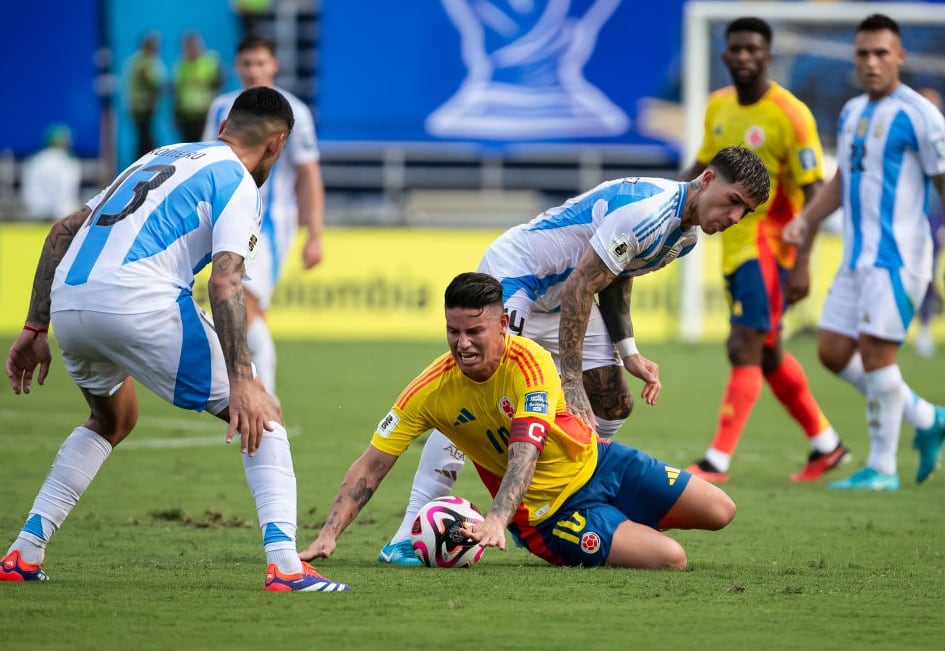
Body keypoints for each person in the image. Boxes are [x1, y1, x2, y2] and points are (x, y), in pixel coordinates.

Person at [1, 87, 348, 592]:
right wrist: (244, 380)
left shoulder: (163, 155)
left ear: (225, 121)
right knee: (263, 417)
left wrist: (35, 328)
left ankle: (24, 552)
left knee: (112, 419)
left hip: (72, 301)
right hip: (137, 302)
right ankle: (286, 567)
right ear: (276, 146)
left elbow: (61, 231)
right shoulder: (238, 180)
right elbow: (226, 280)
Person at [377, 145, 771, 565]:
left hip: (562, 299)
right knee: (477, 392)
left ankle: (575, 493)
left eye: (744, 212)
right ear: (708, 180)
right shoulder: (649, 212)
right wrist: (569, 380)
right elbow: (581, 285)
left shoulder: (685, 237)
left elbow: (616, 278)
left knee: (614, 404)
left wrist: (629, 352)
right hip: (520, 276)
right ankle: (407, 534)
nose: (733, 218)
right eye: (733, 202)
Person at [300, 272, 737, 570]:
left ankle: (620, 526)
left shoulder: (530, 361)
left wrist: (494, 517)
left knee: (722, 511)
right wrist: (329, 534)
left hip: (602, 463)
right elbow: (372, 464)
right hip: (549, 516)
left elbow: (524, 449)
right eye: (453, 331)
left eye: (475, 331)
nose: (463, 343)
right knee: (672, 559)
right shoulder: (430, 390)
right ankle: (615, 531)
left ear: (504, 323)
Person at [679, 16, 849, 484]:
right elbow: (703, 165)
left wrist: (803, 264)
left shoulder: (790, 114)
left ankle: (717, 461)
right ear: (725, 55)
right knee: (768, 353)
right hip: (732, 245)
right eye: (737, 48)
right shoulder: (718, 107)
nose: (745, 56)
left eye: (754, 48)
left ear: (769, 54)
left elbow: (815, 192)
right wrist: (668, 200)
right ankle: (827, 445)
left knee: (744, 345)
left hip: (772, 252)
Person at [783, 14, 945, 490]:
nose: (872, 62)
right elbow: (842, 180)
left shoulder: (921, 115)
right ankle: (926, 417)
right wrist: (808, 218)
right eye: (863, 53)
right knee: (832, 351)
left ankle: (883, 468)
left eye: (881, 53)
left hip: (900, 258)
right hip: (856, 257)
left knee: (877, 355)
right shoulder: (853, 111)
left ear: (900, 56)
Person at [203, 35, 325, 395]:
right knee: (245, 304)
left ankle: (264, 402)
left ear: (274, 65)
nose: (254, 70)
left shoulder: (295, 112)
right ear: (236, 67)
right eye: (247, 63)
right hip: (227, 214)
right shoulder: (221, 107)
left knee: (245, 301)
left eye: (260, 63)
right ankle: (257, 390)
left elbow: (308, 174)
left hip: (269, 225)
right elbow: (210, 158)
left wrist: (314, 234)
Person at [914, 87, 945, 358]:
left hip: (934, 217)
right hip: (909, 217)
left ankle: (925, 328)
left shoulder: (940, 140)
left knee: (930, 273)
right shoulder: (907, 138)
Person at [20, 123, 82, 221]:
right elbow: (67, 190)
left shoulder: (35, 160)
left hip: (39, 213)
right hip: (63, 216)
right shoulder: (70, 162)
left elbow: (29, 191)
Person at [173, 32, 224, 142]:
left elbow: (220, 84)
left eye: (195, 45)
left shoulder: (210, 62)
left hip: (206, 116)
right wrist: (176, 115)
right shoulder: (181, 65)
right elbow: (178, 92)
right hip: (187, 117)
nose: (193, 49)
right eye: (189, 46)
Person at [127, 32, 166, 159]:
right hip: (142, 107)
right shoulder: (142, 61)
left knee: (144, 137)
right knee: (144, 137)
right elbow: (151, 81)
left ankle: (146, 159)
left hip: (145, 106)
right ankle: (149, 159)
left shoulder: (143, 60)